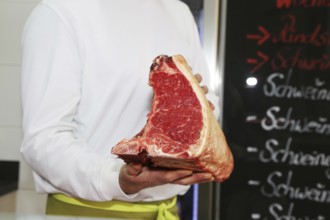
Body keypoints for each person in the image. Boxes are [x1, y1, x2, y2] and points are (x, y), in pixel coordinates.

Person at [20, 0, 220, 219]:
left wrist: (193, 108)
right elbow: (44, 138)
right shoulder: (60, 11)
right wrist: (116, 178)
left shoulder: (178, 12)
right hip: (86, 212)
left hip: (168, 210)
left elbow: (210, 108)